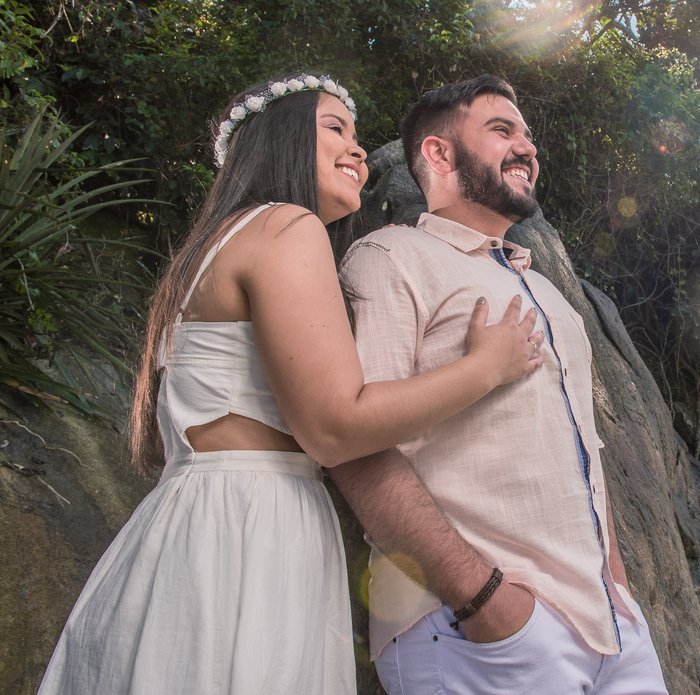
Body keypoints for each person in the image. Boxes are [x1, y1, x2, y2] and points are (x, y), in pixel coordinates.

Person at [37, 73, 545, 695]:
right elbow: (336, 425)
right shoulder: (283, 226)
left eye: (357, 136)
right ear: (278, 140)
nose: (359, 150)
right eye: (335, 128)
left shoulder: (214, 245)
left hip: (190, 524)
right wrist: (484, 368)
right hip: (251, 530)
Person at [329, 75, 669, 694]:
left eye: (528, 135)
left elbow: (584, 451)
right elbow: (354, 446)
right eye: (501, 130)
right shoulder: (389, 257)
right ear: (439, 154)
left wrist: (616, 587)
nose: (527, 147)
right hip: (480, 634)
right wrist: (483, 599)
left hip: (612, 631)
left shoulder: (549, 295)